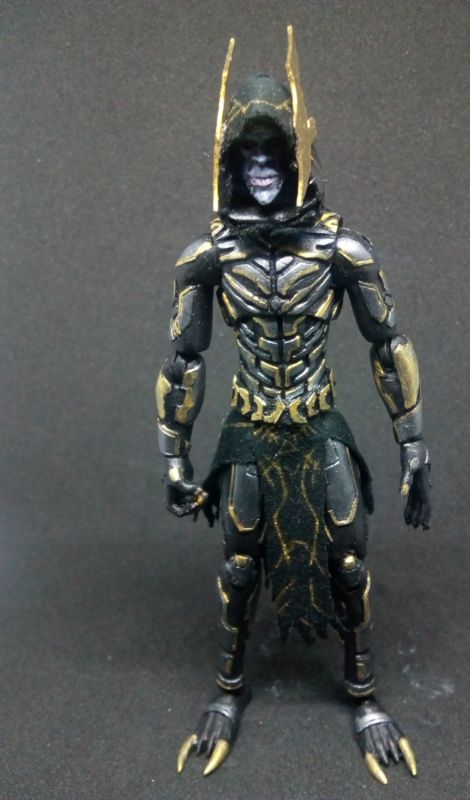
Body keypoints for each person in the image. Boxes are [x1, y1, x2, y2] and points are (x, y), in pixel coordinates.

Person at [155, 27, 431, 785]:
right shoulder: (207, 258)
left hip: (316, 420)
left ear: (299, 156)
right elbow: (184, 360)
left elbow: (388, 344)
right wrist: (175, 454)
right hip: (250, 426)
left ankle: (365, 697)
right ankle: (228, 690)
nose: (262, 167)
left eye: (273, 152)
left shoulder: (344, 251)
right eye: (248, 154)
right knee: (240, 563)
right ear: (228, 164)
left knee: (350, 557)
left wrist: (413, 444)